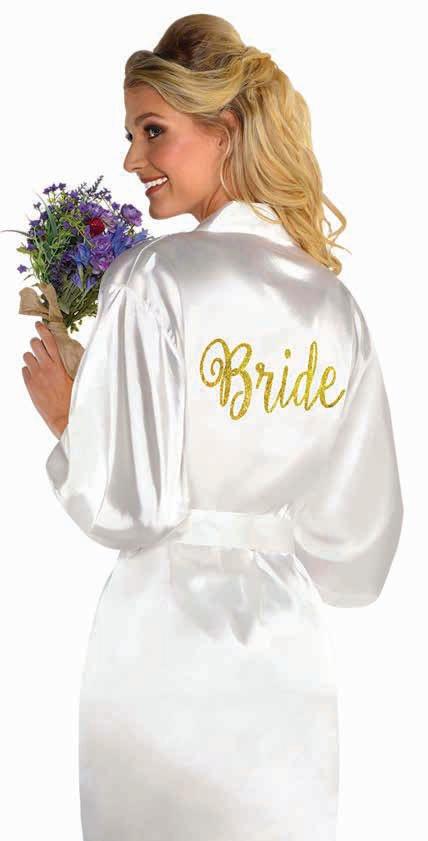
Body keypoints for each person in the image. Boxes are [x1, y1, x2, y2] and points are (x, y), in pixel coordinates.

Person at [34, 13, 403, 841]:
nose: (133, 160)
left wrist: (69, 417)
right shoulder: (333, 305)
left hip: (162, 645)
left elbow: (129, 507)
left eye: (152, 131)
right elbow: (355, 551)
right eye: (131, 135)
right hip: (288, 655)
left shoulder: (154, 279)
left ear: (224, 128)